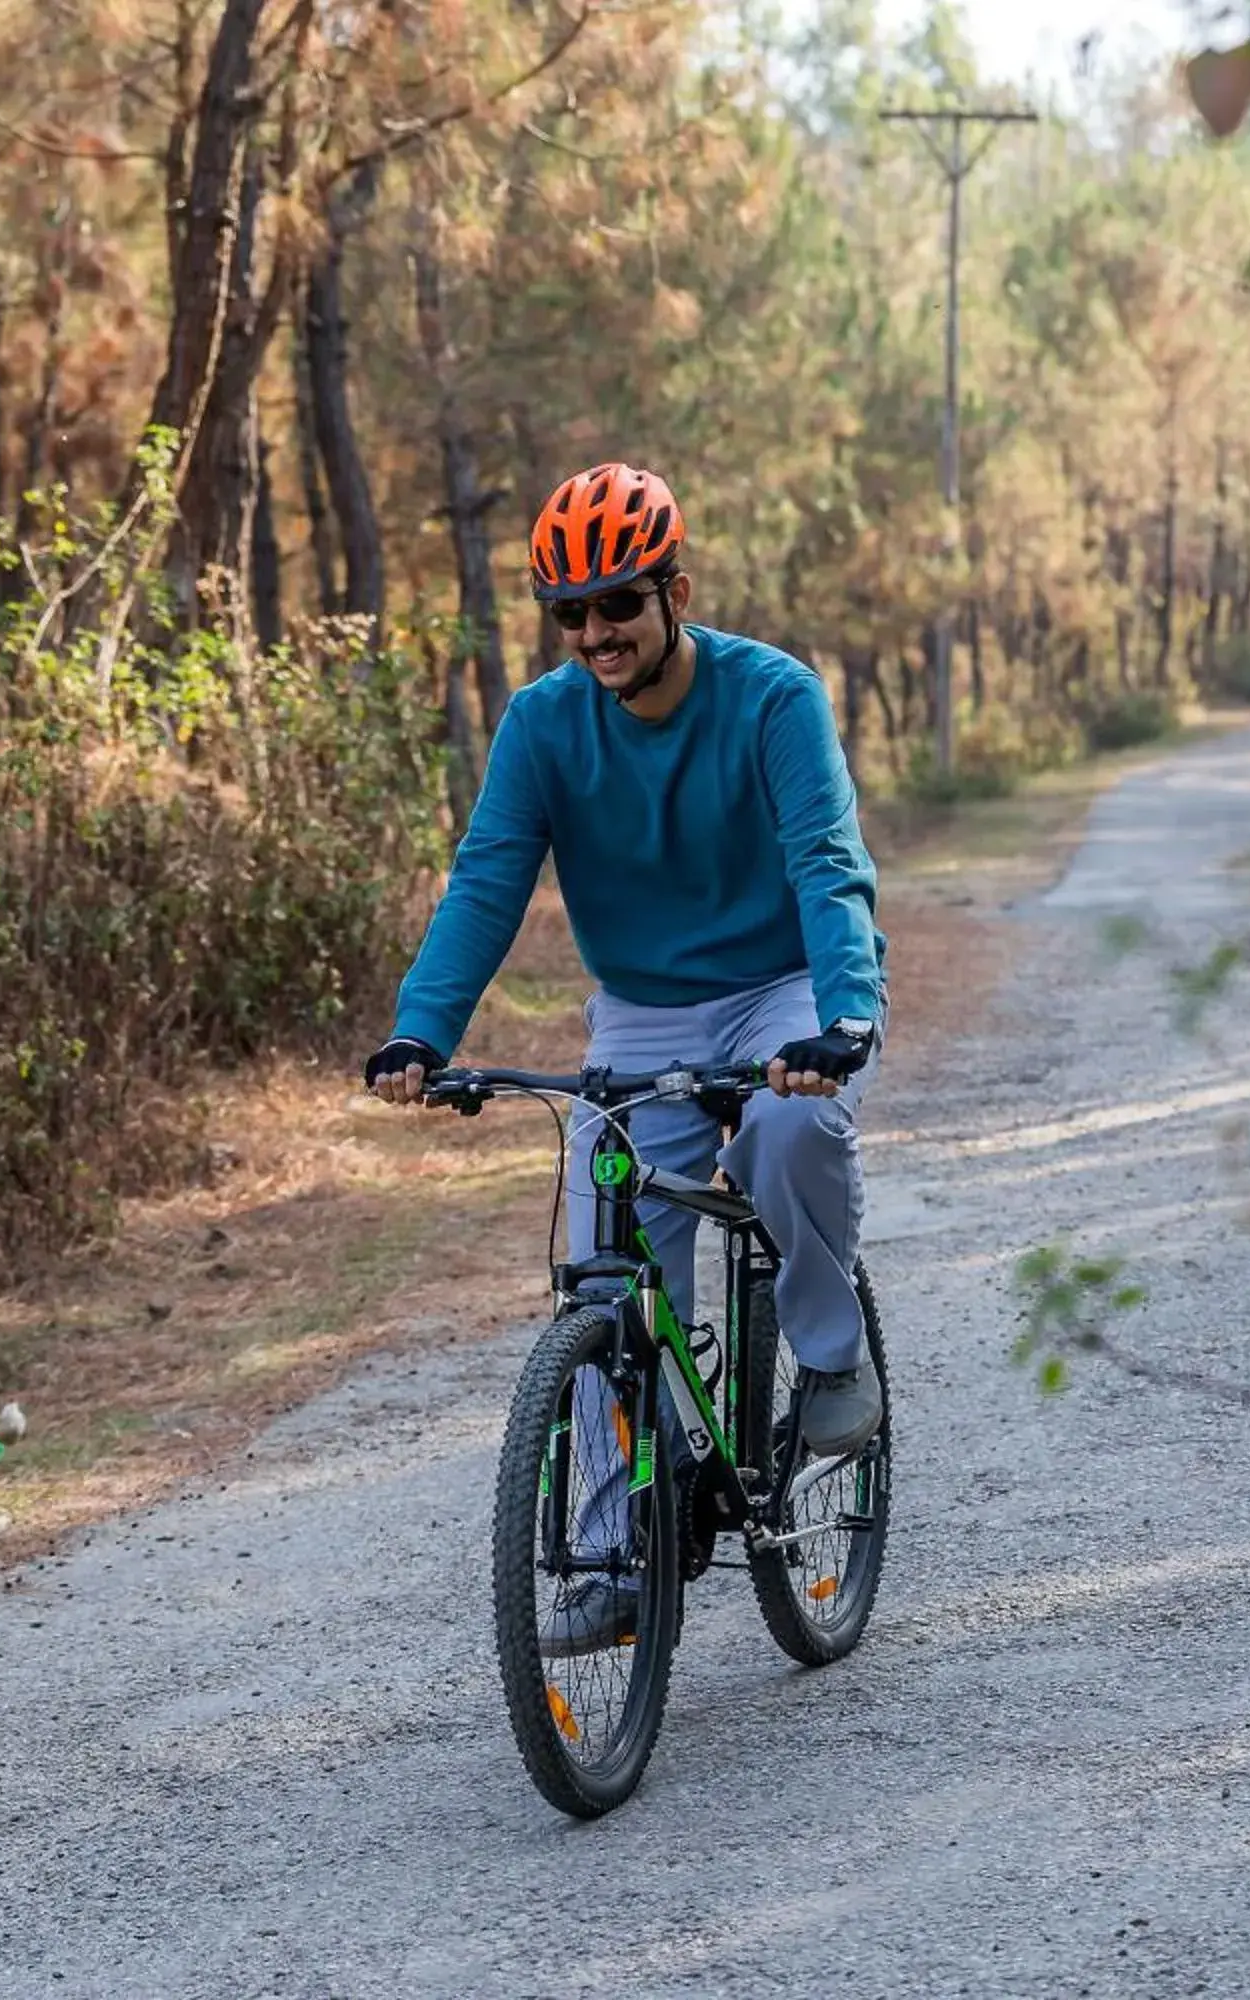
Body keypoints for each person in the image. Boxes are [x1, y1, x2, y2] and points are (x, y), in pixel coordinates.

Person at [365, 462, 888, 1655]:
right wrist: (421, 1031)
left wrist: (842, 1016)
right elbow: (490, 876)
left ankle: (829, 1351)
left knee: (790, 1130)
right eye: (571, 612)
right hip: (645, 1008)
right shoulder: (546, 723)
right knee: (607, 1260)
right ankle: (610, 1551)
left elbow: (826, 860)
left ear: (674, 592)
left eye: (617, 604)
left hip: (783, 986)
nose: (594, 631)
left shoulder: (773, 698)